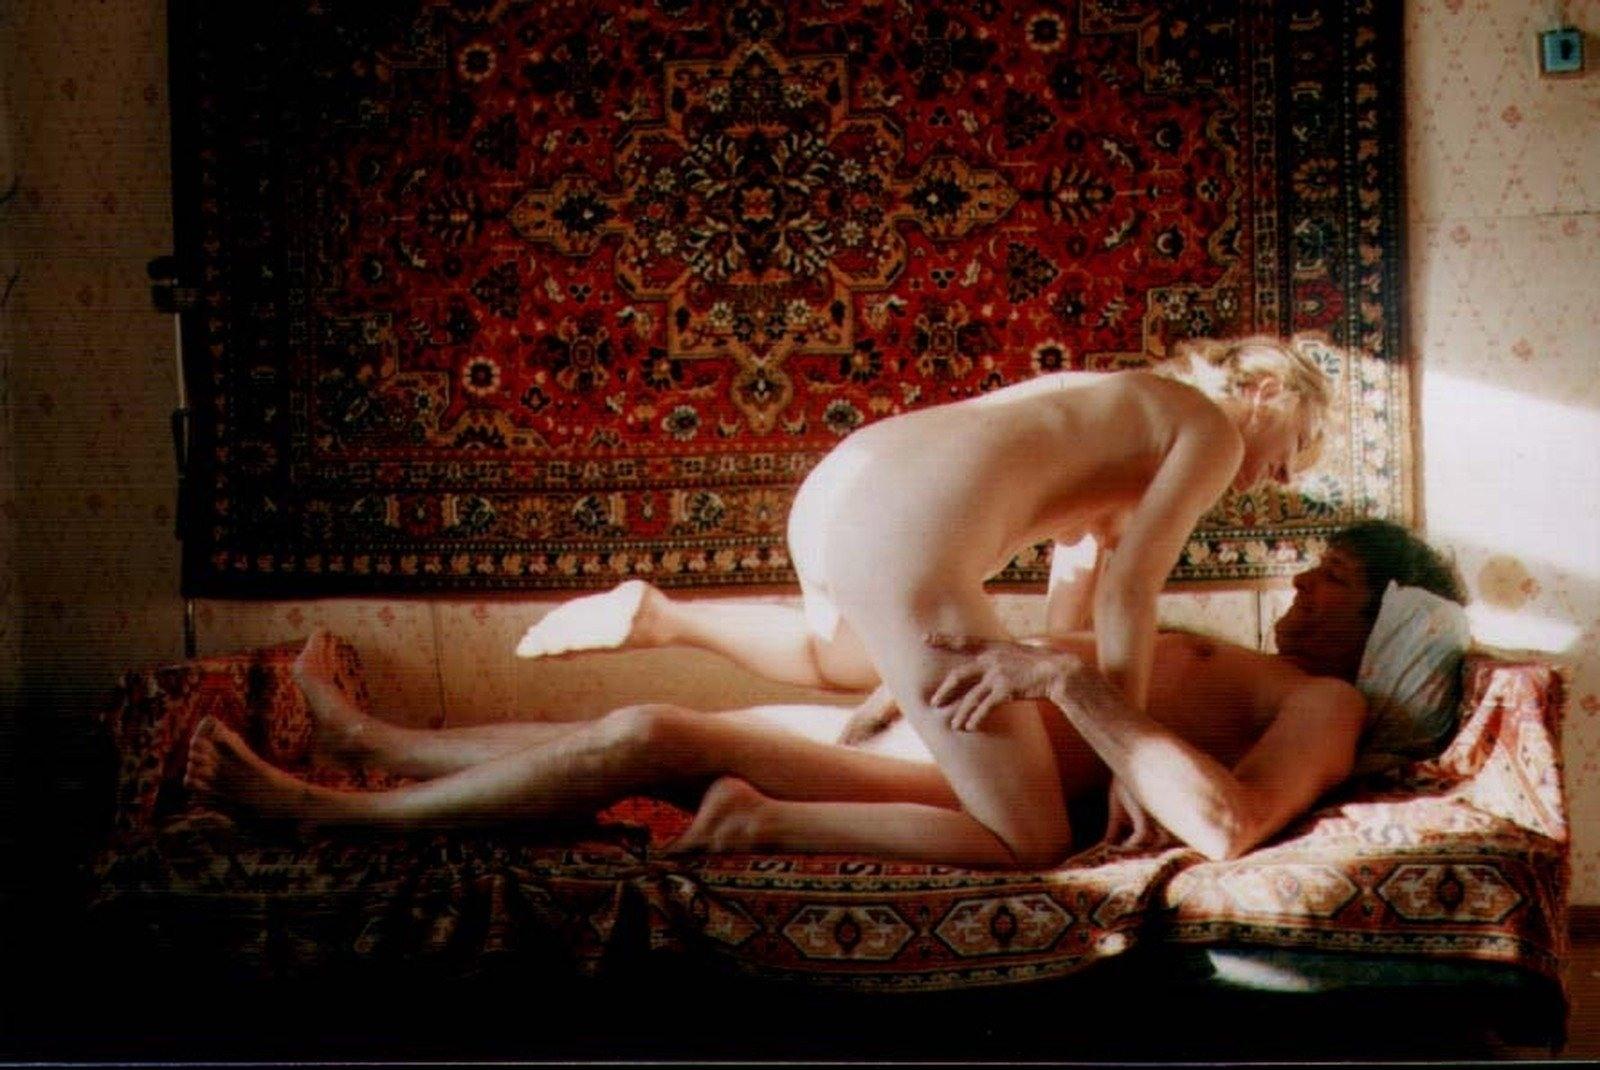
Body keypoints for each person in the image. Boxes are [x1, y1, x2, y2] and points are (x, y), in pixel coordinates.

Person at [186, 518, 1462, 867]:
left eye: (1334, 580)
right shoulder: (1241, 658)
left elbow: (1228, 822)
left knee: (656, 730)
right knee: (637, 726)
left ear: (1380, 619)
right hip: (945, 732)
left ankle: (336, 812)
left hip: (973, 776)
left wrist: (1067, 676)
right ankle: (384, 741)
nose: (1302, 585)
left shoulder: (1325, 706)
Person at [504, 335, 1331, 866]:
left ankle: (668, 617)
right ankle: (754, 820)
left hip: (842, 490)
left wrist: (1073, 710)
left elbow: (1071, 613)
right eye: (1292, 451)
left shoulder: (1118, 407)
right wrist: (1130, 761)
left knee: (838, 660)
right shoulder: (1209, 429)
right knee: (1030, 838)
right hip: (905, 533)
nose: (1277, 479)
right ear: (1263, 389)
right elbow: (1130, 592)